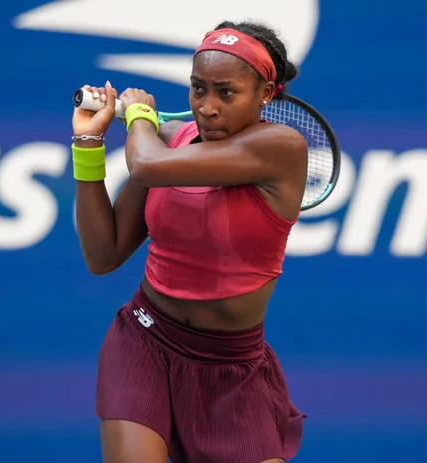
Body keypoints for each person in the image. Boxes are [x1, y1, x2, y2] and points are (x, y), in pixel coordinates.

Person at [71, 19, 308, 463]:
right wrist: (88, 142)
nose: (208, 107)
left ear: (266, 94)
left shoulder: (281, 147)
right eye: (198, 89)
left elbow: (144, 164)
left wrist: (139, 117)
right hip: (144, 341)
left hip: (232, 370)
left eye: (226, 92)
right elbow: (103, 254)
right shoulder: (169, 145)